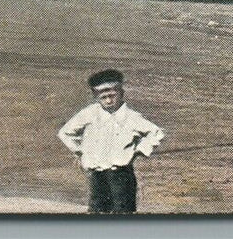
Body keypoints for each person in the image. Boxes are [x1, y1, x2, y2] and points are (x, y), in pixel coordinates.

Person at [57, 68, 165, 214]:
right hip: (97, 174)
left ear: (121, 93)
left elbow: (156, 133)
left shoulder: (131, 117)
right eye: (103, 97)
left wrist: (138, 149)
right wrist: (80, 151)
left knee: (123, 210)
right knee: (97, 209)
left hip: (121, 174)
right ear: (96, 96)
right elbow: (65, 132)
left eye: (112, 95)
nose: (108, 101)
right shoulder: (90, 113)